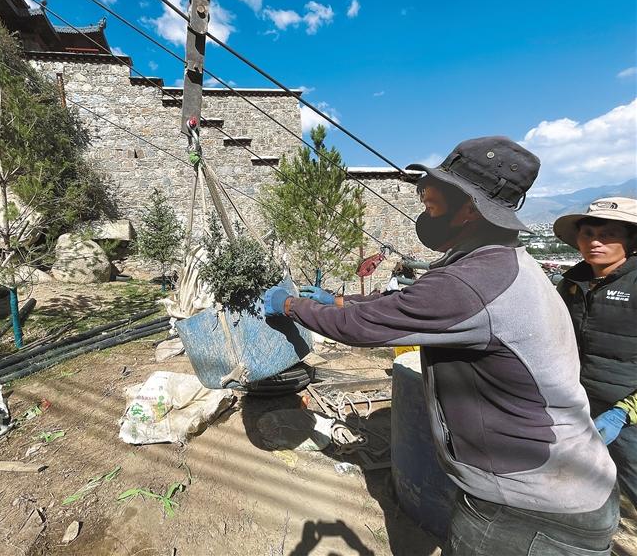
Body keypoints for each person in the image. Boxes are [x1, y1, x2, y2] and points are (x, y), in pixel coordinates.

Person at [263, 137, 620, 555]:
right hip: (561, 485)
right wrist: (339, 300)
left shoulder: (472, 281)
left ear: (469, 209)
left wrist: (290, 305)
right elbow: (407, 303)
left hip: (530, 506)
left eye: (432, 205)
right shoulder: (497, 263)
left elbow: (362, 327)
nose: (424, 209)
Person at [554, 197, 637, 508]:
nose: (595, 242)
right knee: (589, 487)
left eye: (608, 234)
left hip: (627, 415)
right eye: (587, 234)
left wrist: (624, 412)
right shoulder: (572, 284)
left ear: (630, 240)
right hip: (579, 405)